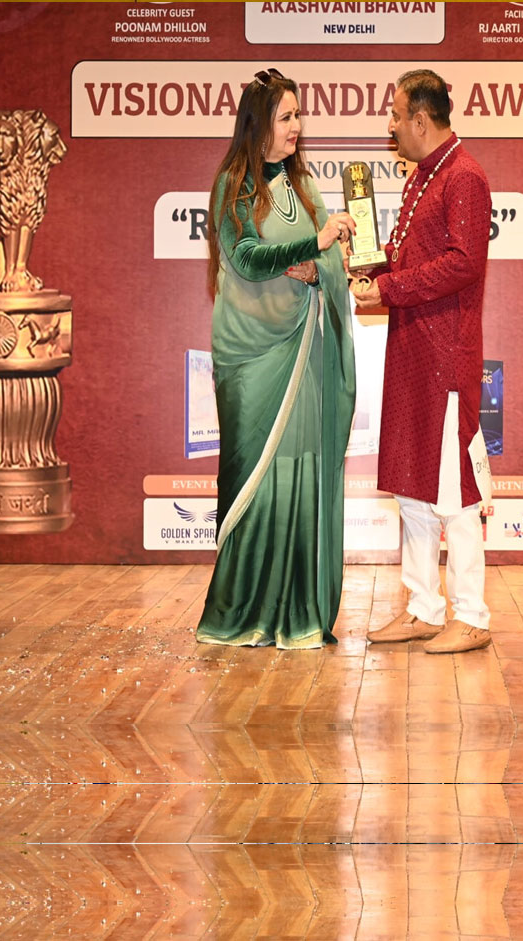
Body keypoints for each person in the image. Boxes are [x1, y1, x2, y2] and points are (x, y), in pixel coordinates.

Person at [196, 68, 356, 649]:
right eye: (286, 117)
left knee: (300, 472)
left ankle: (297, 613)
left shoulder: (303, 186)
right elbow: (244, 256)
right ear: (258, 124)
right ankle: (239, 613)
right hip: (251, 356)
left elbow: (328, 261)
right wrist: (313, 244)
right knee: (253, 481)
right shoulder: (233, 185)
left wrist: (322, 265)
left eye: (298, 116)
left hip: (303, 352)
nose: (297, 126)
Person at [353, 69, 492, 654]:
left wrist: (388, 289)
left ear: (420, 119)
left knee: (451, 489)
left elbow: (463, 263)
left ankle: (472, 615)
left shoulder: (465, 176)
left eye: (395, 114)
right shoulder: (423, 177)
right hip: (411, 350)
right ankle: (423, 607)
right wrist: (371, 269)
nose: (389, 125)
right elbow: (406, 256)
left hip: (445, 355)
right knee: (412, 485)